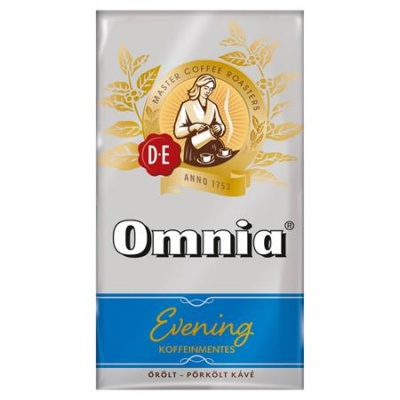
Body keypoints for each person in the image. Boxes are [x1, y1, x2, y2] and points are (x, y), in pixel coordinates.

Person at [174, 74, 226, 164]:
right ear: (199, 87)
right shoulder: (187, 105)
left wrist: (219, 128)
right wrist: (193, 127)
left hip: (211, 144)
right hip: (194, 145)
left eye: (211, 89)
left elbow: (221, 125)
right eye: (206, 88)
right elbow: (177, 132)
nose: (208, 91)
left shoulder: (213, 106)